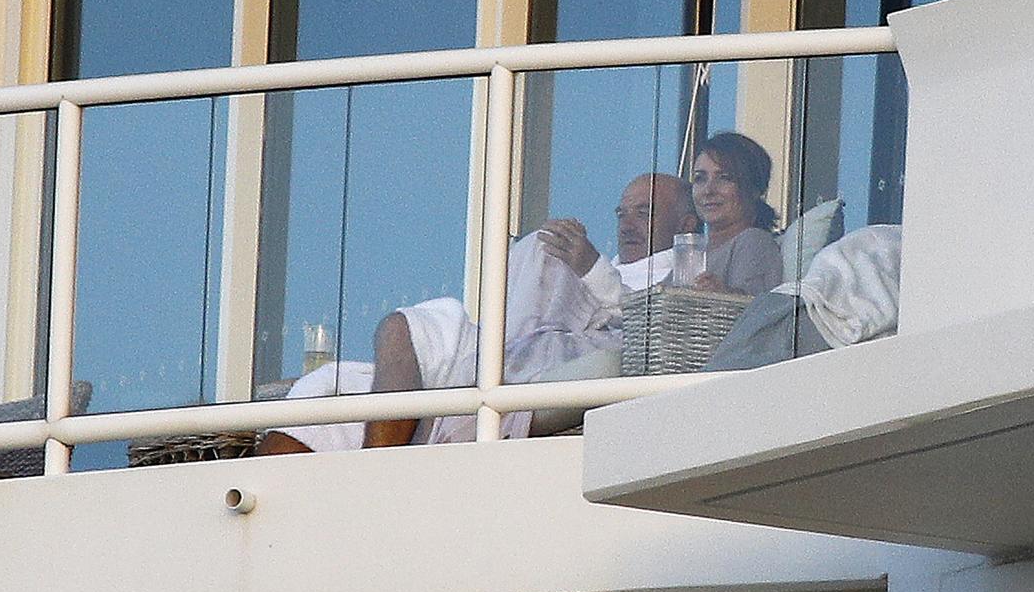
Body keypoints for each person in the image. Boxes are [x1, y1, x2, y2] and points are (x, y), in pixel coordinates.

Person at [257, 173, 701, 454]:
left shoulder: (690, 271)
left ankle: (378, 477)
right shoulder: (614, 264)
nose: (627, 222)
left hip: (543, 363)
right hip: (498, 349)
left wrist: (588, 266)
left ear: (686, 223)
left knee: (539, 253)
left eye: (645, 211)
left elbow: (655, 328)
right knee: (336, 381)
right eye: (622, 211)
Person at [688, 132, 784, 296]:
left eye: (725, 178)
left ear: (755, 189)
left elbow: (754, 311)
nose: (708, 190)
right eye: (700, 179)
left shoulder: (753, 242)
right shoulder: (691, 255)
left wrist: (722, 294)